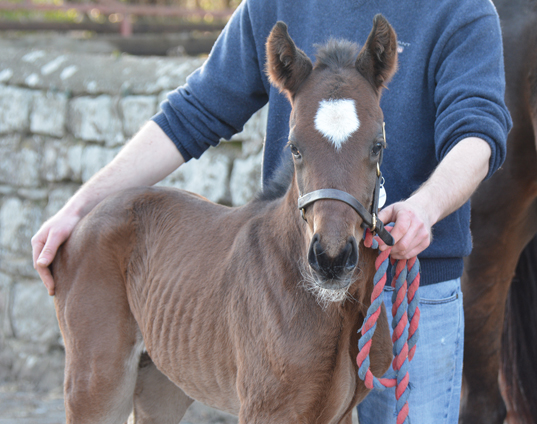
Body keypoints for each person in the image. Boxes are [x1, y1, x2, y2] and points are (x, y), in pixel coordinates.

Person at [31, 0, 511, 422]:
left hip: (412, 283)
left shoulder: (461, 8)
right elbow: (194, 112)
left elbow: (479, 129)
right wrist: (81, 206)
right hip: (293, 281)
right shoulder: (276, 2)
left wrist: (424, 208)